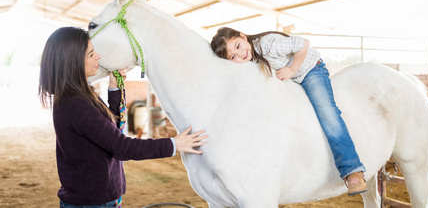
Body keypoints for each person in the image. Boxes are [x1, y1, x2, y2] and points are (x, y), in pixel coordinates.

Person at [39, 27, 207, 208]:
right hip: (91, 203)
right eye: (90, 54)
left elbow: (111, 129)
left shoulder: (80, 95)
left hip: (96, 199)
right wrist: (174, 145)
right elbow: (121, 147)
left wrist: (114, 88)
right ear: (72, 62)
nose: (98, 57)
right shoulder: (75, 103)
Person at [210, 27, 367, 196]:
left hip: (309, 71)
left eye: (238, 46)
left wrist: (292, 69)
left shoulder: (268, 44)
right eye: (233, 56)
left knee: (327, 113)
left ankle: (353, 170)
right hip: (290, 80)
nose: (240, 55)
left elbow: (303, 44)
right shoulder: (248, 62)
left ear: (242, 36)